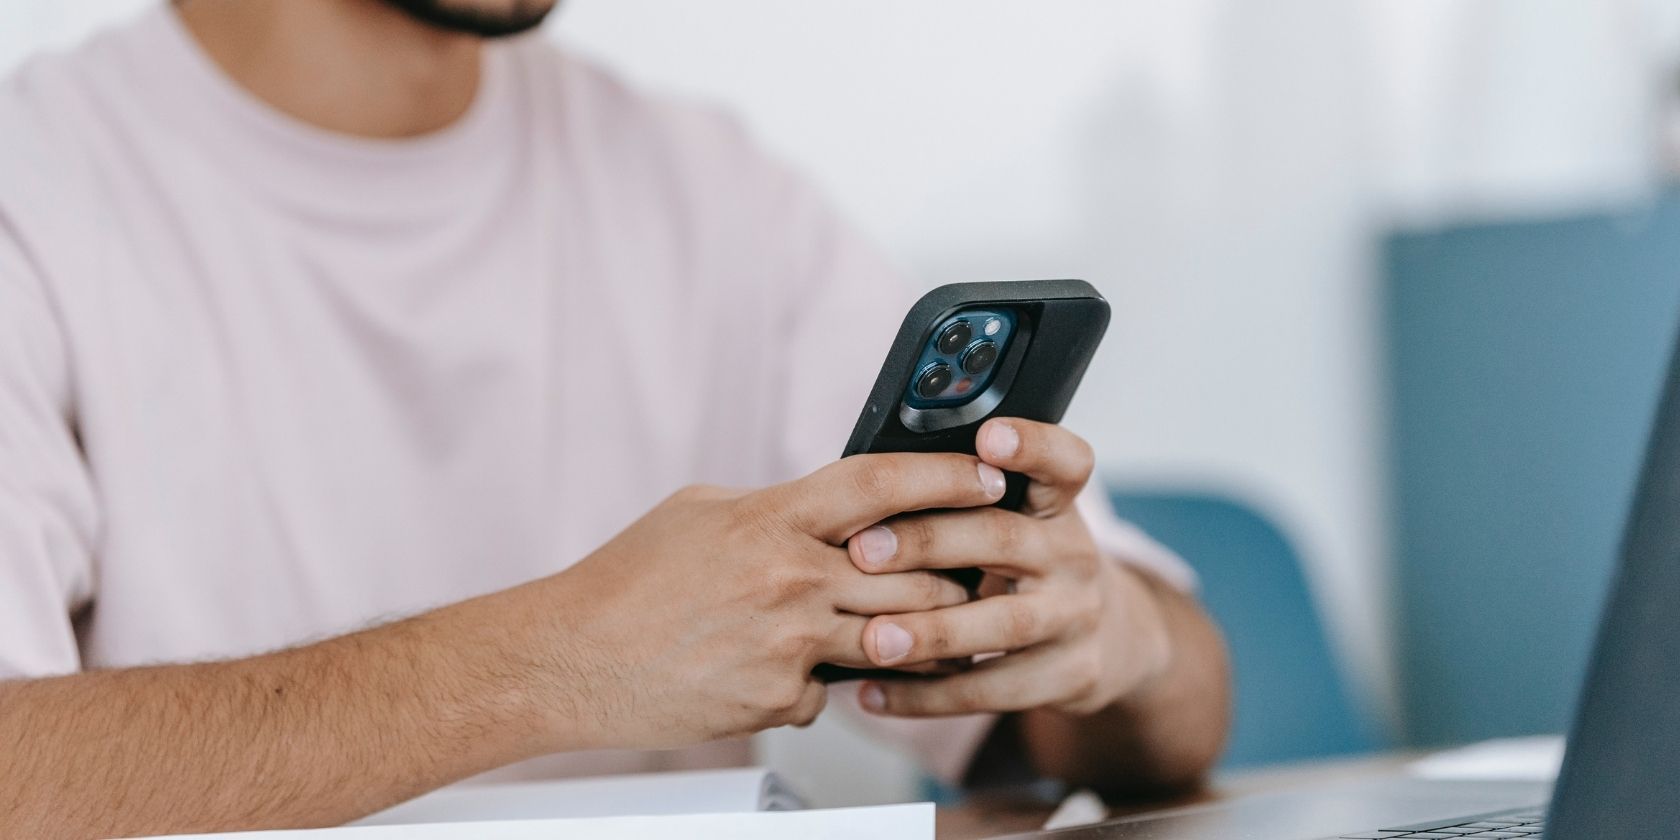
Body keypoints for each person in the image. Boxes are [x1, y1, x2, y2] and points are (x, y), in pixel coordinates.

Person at [0, 1, 1231, 837]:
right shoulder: (40, 188)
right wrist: (543, 664)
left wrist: (1116, 639)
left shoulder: (704, 184)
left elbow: (1168, 718)